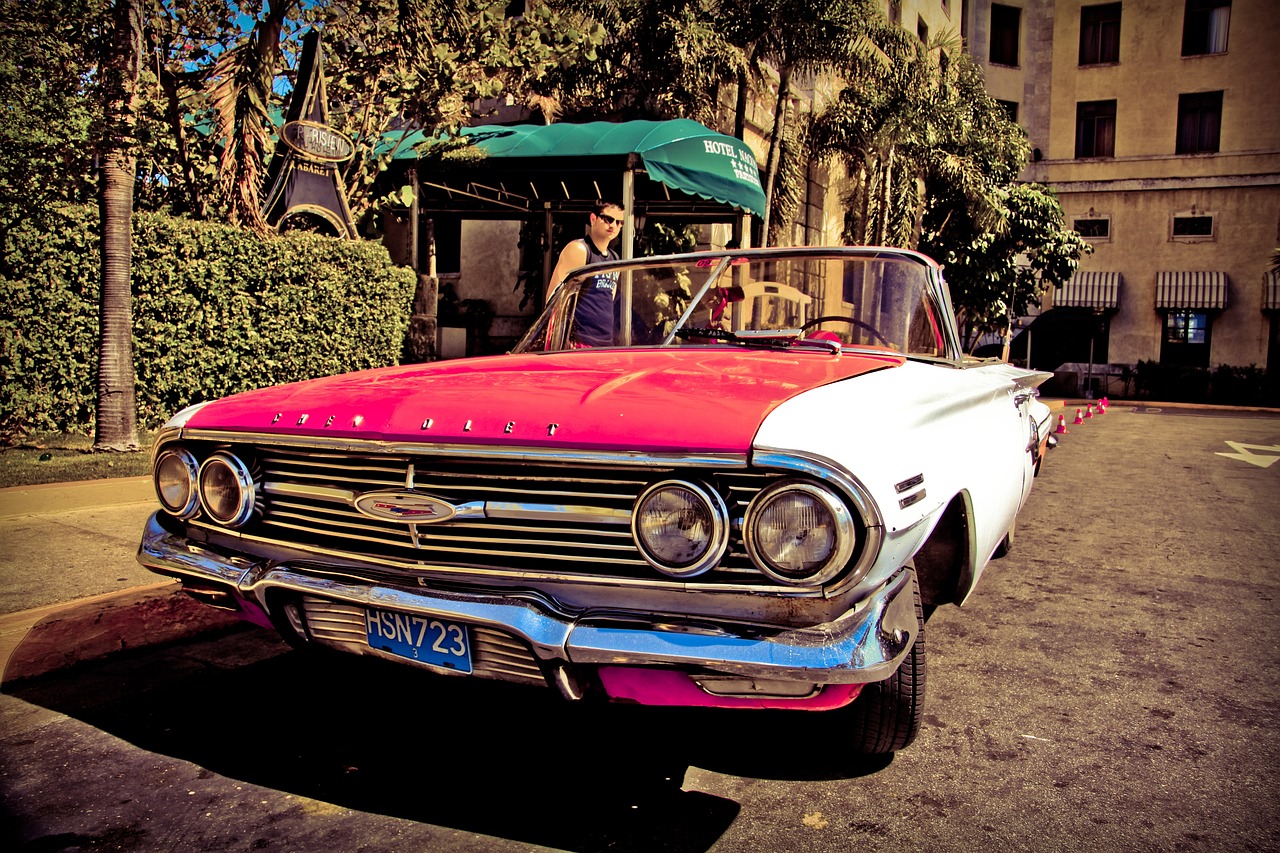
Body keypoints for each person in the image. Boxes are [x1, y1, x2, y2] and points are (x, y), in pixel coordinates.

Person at [546, 201, 625, 347]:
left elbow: (608, 299)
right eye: (608, 219)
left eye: (620, 222)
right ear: (593, 219)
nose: (613, 225)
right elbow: (553, 298)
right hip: (577, 341)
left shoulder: (615, 258)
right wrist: (558, 342)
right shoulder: (579, 250)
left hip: (605, 341)